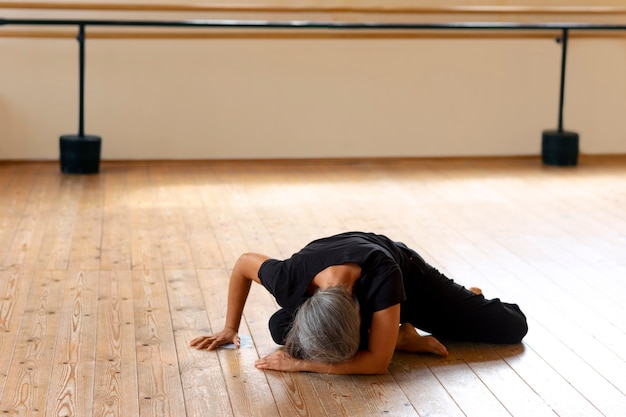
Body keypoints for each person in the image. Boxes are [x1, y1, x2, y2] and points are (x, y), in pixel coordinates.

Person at [190, 232, 528, 375]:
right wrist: (229, 327)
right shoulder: (290, 278)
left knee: (512, 327)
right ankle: (398, 337)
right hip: (357, 298)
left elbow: (377, 366)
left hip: (411, 281)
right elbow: (245, 263)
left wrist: (303, 365)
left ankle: (459, 302)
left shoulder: (383, 275)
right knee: (281, 328)